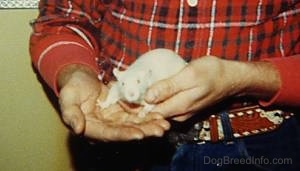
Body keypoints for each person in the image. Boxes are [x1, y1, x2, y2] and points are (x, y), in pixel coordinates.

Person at [29, 0, 300, 170]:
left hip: (264, 145)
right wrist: (75, 71)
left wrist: (248, 77)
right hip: (127, 144)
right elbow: (62, 19)